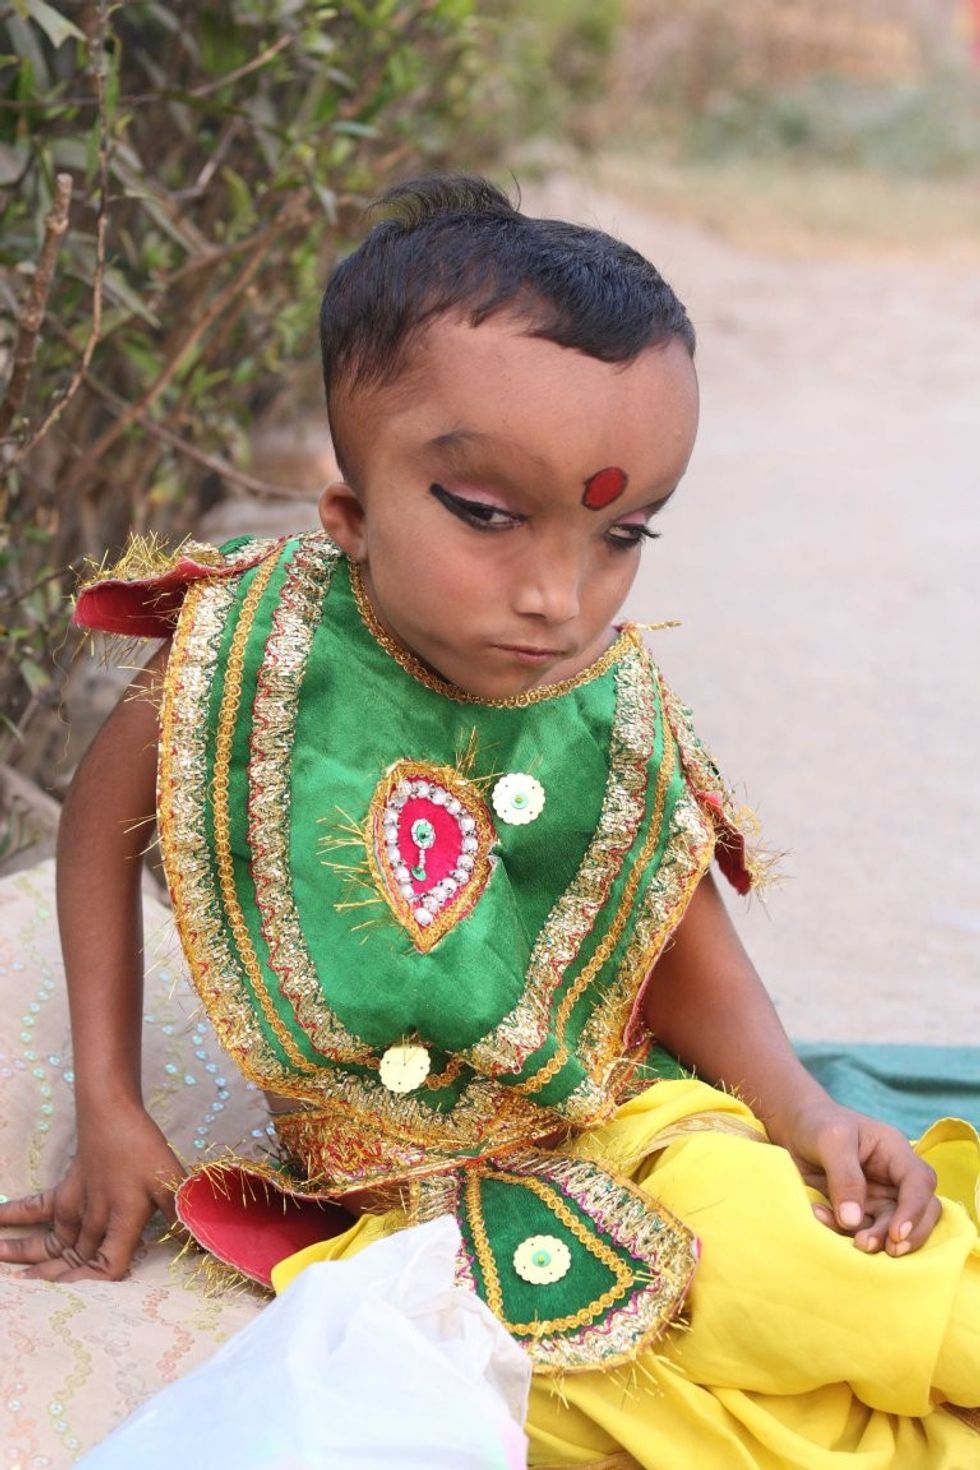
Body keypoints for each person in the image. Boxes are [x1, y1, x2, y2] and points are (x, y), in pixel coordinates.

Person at [0, 175, 976, 1468]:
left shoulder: (605, 698)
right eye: (489, 517)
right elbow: (98, 825)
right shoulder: (243, 654)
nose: (560, 598)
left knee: (809, 1276)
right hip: (393, 1203)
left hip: (620, 1119)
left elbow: (673, 919)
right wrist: (110, 1103)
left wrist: (802, 1107)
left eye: (621, 531)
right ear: (347, 514)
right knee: (554, 1394)